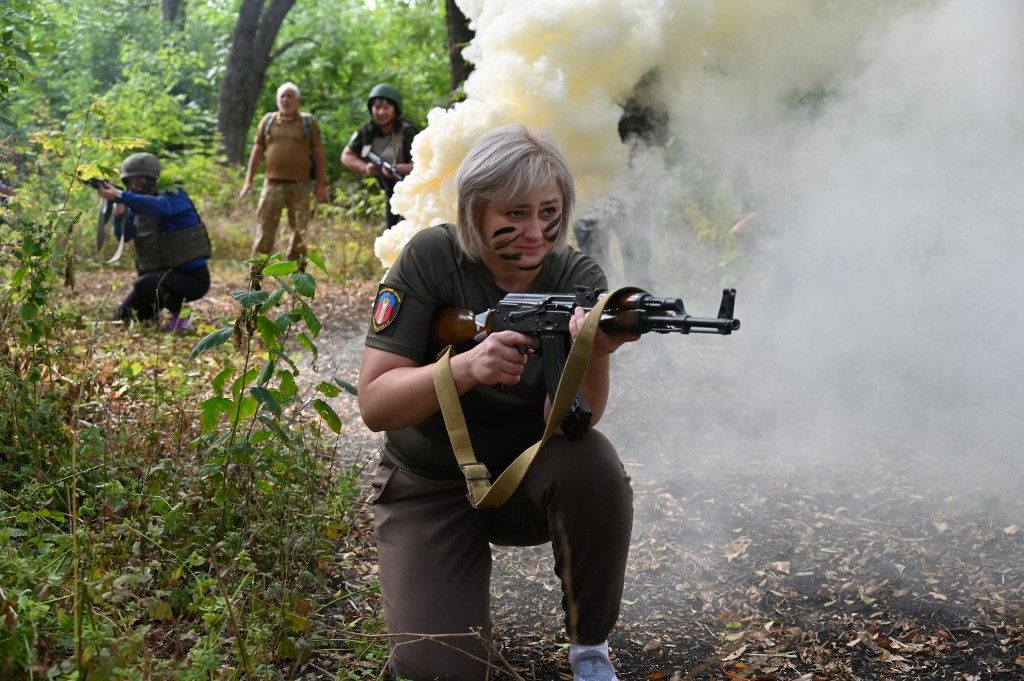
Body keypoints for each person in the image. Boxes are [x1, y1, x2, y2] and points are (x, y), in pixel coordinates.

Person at [358, 124, 638, 680]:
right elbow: (375, 404)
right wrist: (464, 368)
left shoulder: (576, 277)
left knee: (594, 464)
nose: (536, 232)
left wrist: (594, 351)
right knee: (440, 670)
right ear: (476, 213)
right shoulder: (432, 259)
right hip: (429, 487)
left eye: (549, 212)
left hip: (522, 479)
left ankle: (590, 648)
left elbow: (575, 424)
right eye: (514, 215)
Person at [96, 152, 211, 332]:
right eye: (130, 181)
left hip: (192, 279)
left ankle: (181, 314)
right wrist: (120, 215)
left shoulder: (174, 194)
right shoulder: (136, 204)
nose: (134, 186)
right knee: (123, 317)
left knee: (144, 282)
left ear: (152, 179)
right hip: (157, 279)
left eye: (140, 180)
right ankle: (153, 314)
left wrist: (120, 194)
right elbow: (123, 236)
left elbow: (161, 206)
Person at [239, 81, 329, 262]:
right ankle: (256, 277)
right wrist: (248, 181)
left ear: (297, 100)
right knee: (265, 230)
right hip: (272, 184)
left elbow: (319, 154)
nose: (286, 100)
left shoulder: (308, 124)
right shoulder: (268, 121)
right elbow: (257, 151)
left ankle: (297, 275)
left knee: (300, 232)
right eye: (282, 96)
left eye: (290, 96)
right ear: (277, 99)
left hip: (301, 185)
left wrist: (321, 185)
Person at [341, 83, 419, 230]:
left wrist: (400, 168)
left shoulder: (407, 131)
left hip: (413, 193)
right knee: (393, 233)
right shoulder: (367, 132)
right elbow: (346, 155)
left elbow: (424, 165)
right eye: (377, 107)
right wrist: (366, 168)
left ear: (395, 110)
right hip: (390, 193)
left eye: (386, 108)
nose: (381, 112)